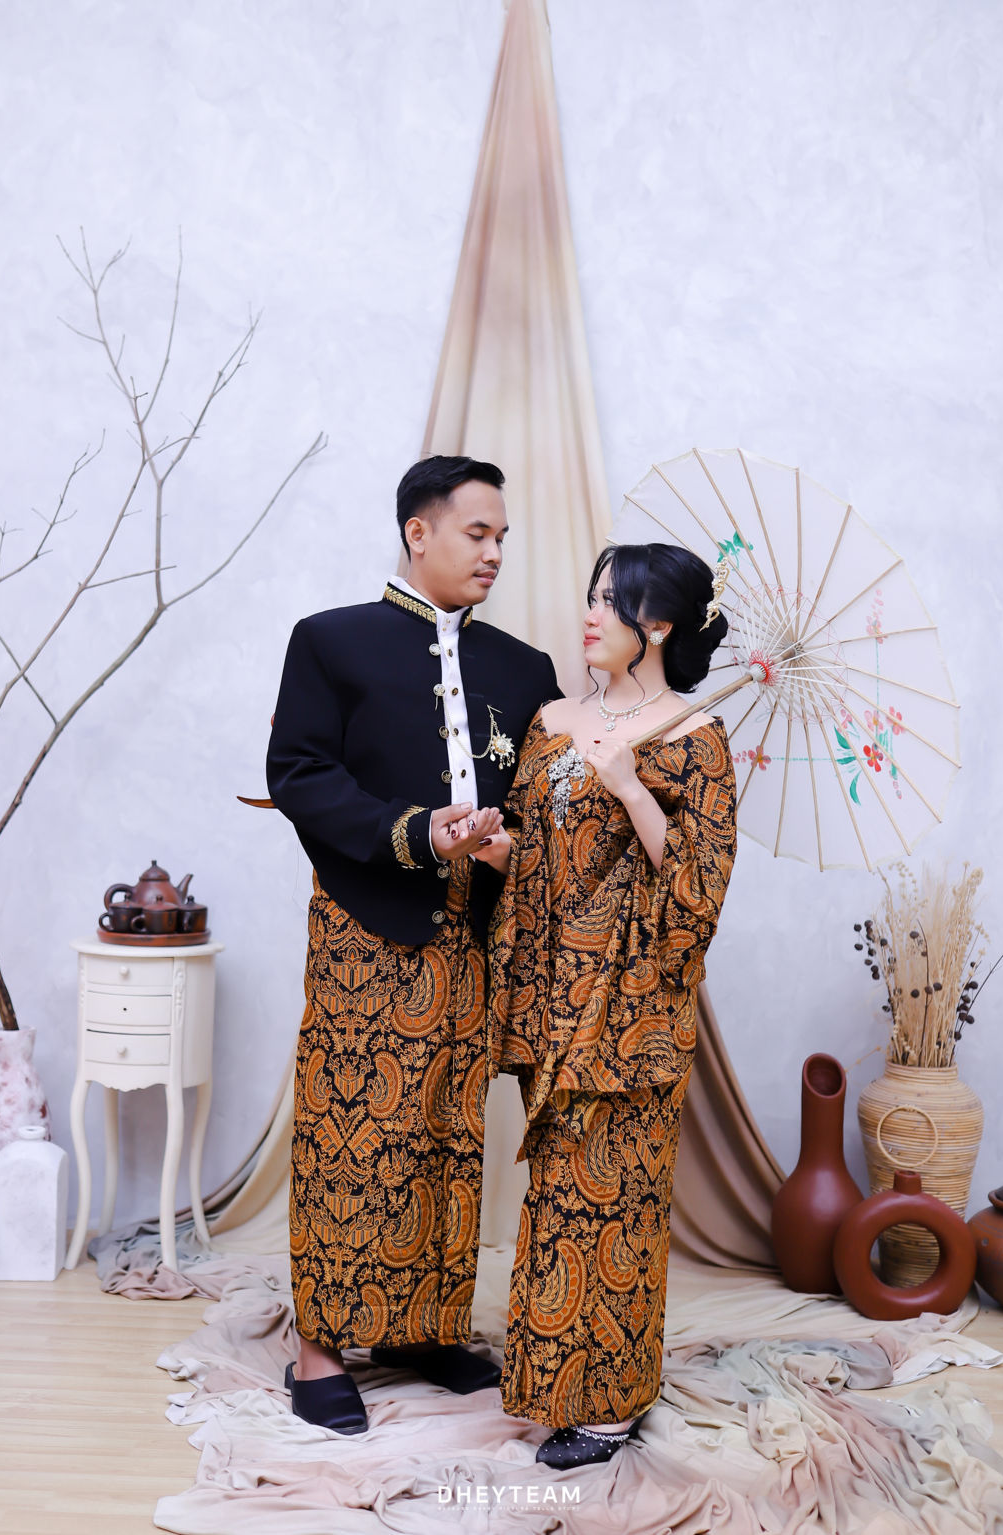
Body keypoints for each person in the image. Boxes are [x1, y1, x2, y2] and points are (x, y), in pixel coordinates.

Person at [266, 455, 560, 1434]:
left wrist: (509, 840)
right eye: (477, 533)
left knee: (445, 1133)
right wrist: (416, 830)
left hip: (471, 938)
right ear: (417, 532)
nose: (494, 552)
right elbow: (299, 771)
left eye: (503, 537)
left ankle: (423, 1329)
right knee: (349, 1135)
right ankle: (320, 1346)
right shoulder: (330, 642)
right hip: (366, 927)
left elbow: (530, 786)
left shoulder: (521, 671)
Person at [477, 541, 737, 1470]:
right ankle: (555, 1385)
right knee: (559, 1195)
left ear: (655, 625)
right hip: (551, 998)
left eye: (608, 600)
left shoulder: (694, 738)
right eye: (588, 595)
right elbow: (536, 857)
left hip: (631, 1009)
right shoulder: (553, 721)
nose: (588, 614)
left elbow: (699, 889)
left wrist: (631, 786)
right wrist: (492, 845)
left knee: (617, 1199)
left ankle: (612, 1402)